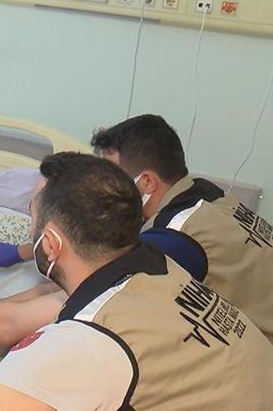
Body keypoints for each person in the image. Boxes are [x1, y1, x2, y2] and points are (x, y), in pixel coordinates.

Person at [0, 152, 273, 410]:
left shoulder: (86, 342)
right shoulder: (158, 268)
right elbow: (18, 314)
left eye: (32, 218)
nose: (29, 231)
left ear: (50, 243)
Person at [91, 114, 273, 343]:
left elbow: (103, 301)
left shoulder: (174, 235)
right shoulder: (209, 194)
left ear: (147, 182)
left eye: (110, 179)